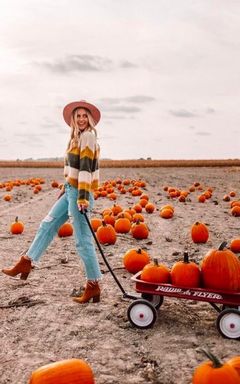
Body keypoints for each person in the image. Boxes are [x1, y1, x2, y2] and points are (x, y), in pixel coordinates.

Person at [2, 100, 102, 304]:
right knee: (47, 224)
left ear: (89, 119)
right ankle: (26, 262)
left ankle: (93, 285)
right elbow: (74, 170)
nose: (82, 119)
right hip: (71, 191)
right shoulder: (77, 137)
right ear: (73, 119)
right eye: (78, 116)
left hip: (80, 194)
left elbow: (85, 169)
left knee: (82, 240)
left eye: (85, 116)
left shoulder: (89, 136)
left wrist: (82, 197)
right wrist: (66, 188)